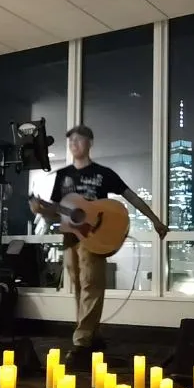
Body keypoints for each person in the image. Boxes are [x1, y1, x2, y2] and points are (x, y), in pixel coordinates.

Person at [29, 125, 168, 368]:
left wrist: (155, 220)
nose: (74, 144)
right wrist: (41, 209)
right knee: (79, 288)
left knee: (91, 285)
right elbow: (58, 212)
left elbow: (131, 196)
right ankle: (91, 335)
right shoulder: (63, 176)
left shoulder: (103, 173)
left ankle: (82, 341)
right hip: (71, 237)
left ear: (90, 143)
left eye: (79, 139)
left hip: (94, 237)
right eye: (71, 140)